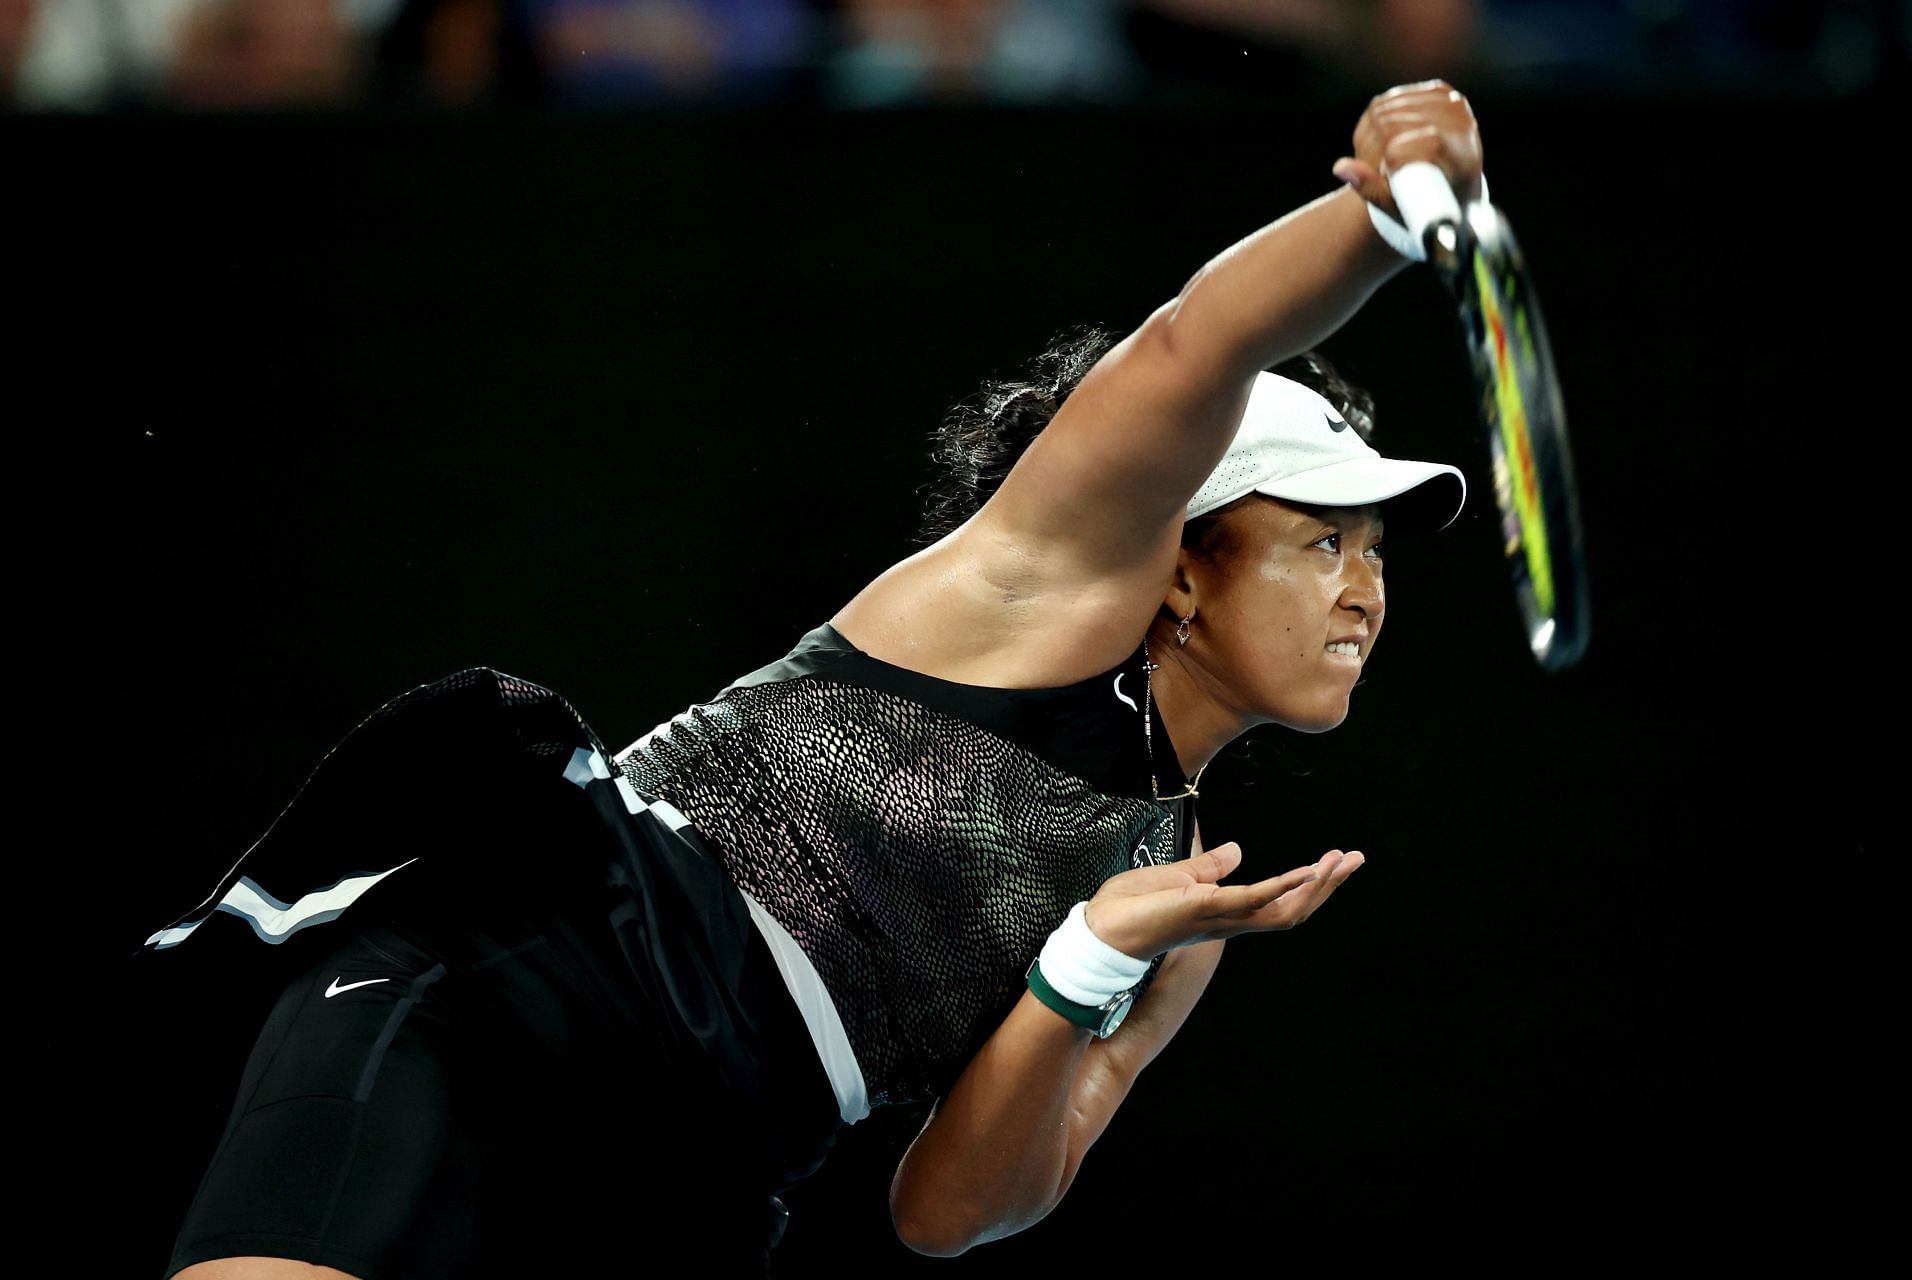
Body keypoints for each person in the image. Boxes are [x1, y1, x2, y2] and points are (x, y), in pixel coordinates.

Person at [148, 80, 1484, 1280]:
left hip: (686, 1190)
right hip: (511, 993)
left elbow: (951, 1210)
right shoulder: (1043, 590)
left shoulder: (1179, 896)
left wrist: (1085, 961)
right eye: (1321, 540)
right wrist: (1372, 219)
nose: (1364, 586)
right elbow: (1198, 344)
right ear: (1181, 569)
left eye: (1372, 550)